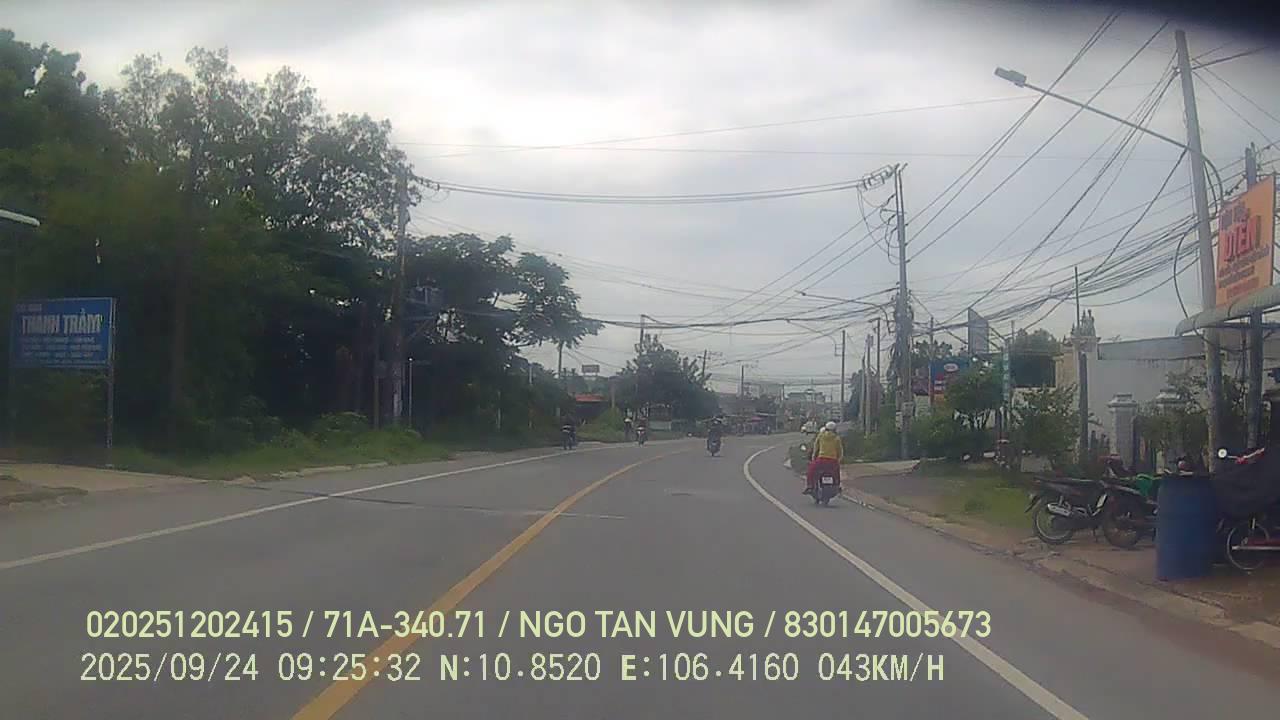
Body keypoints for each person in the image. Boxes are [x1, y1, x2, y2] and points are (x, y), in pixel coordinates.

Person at [805, 421, 844, 495]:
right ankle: (837, 485)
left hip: (821, 460)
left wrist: (813, 458)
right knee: (837, 473)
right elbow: (840, 451)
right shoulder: (837, 438)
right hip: (832, 461)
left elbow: (816, 448)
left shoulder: (821, 436)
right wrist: (838, 460)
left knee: (811, 470)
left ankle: (810, 486)